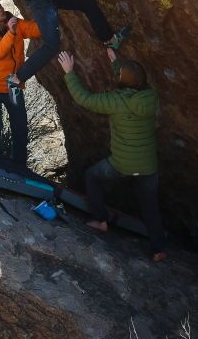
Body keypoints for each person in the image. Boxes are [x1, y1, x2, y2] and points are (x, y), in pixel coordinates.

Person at [58, 47, 166, 263]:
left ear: (122, 81)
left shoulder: (115, 101)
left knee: (92, 176)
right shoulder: (151, 96)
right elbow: (132, 81)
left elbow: (84, 98)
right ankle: (158, 249)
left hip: (121, 164)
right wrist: (116, 62)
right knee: (150, 207)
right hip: (147, 166)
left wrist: (69, 72)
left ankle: (100, 220)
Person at [0, 0, 41, 165]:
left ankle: (19, 166)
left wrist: (51, 17)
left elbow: (36, 30)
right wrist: (11, 33)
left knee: (20, 127)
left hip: (12, 85)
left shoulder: (15, 23)